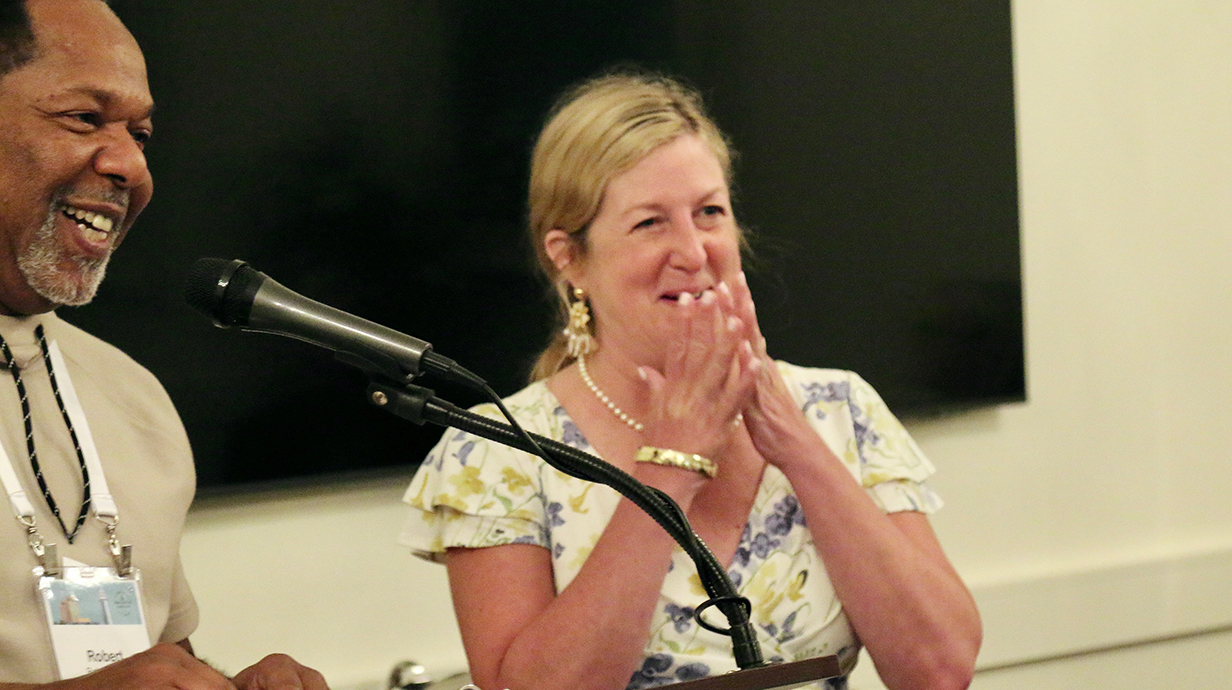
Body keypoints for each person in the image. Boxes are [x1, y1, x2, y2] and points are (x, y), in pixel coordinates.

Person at [398, 72, 982, 690]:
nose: (694, 252)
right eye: (650, 223)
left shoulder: (842, 407)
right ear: (569, 259)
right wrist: (672, 461)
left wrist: (793, 440)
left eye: (709, 213)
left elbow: (939, 670)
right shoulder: (498, 448)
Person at [0, 1, 328, 688]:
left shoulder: (131, 395)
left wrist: (228, 682)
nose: (129, 165)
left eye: (141, 134)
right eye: (85, 119)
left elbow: (154, 658)